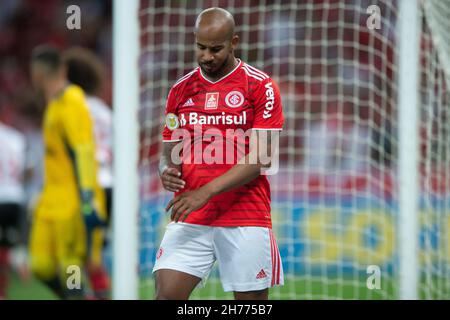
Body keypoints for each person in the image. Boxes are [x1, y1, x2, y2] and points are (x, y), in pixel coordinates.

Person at [154, 7, 284, 300]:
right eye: (200, 47)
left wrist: (206, 191)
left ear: (234, 42)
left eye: (215, 49)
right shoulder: (180, 90)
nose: (206, 56)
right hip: (190, 214)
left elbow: (262, 158)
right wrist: (166, 171)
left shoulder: (260, 86)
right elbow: (168, 152)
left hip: (245, 215)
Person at [29, 45, 106, 299]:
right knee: (40, 265)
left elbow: (83, 149)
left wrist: (86, 197)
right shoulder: (54, 103)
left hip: (73, 197)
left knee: (70, 265)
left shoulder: (71, 99)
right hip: (51, 197)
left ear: (36, 75)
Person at [64, 47, 112, 299]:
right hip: (108, 185)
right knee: (93, 255)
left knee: (72, 255)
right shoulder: (105, 111)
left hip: (83, 187)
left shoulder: (70, 108)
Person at [0, 121, 27, 299]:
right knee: (5, 245)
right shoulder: (17, 137)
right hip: (16, 199)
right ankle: (19, 259)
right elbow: (25, 171)